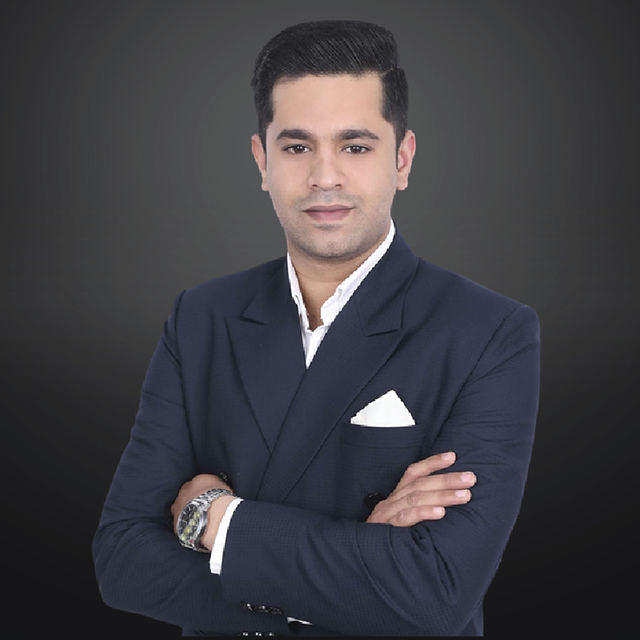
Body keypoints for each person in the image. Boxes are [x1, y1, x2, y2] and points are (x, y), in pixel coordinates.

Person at [92, 19, 540, 637]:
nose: (325, 177)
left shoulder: (488, 331)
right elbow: (122, 562)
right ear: (262, 160)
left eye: (355, 147)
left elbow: (435, 591)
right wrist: (358, 569)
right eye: (297, 147)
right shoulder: (201, 318)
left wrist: (214, 518)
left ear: (402, 159)